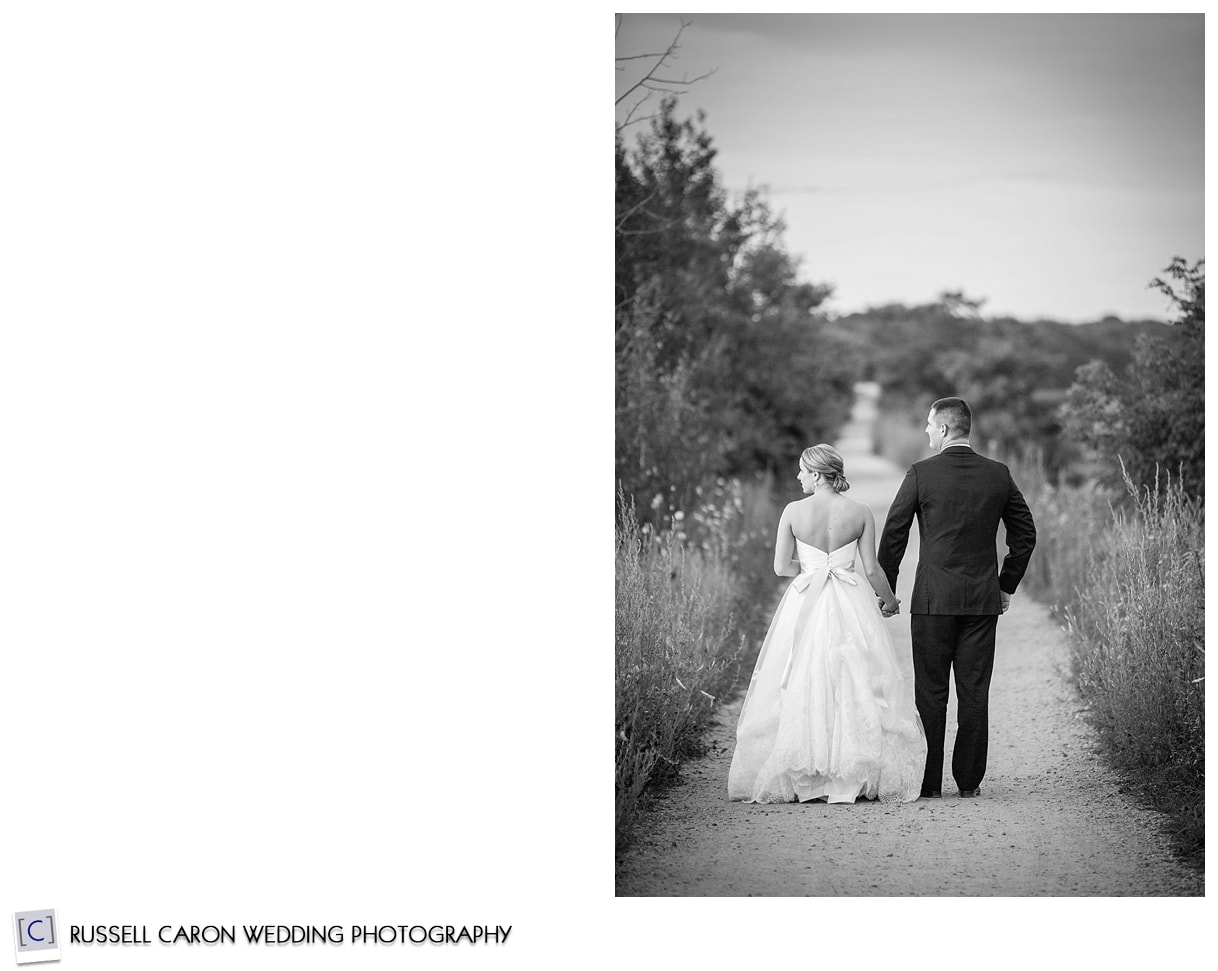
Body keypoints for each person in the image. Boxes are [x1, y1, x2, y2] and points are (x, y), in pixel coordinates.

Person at [727, 444, 927, 804]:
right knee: (853, 675)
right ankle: (848, 768)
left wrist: (810, 571)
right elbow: (871, 568)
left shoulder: (793, 512)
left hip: (807, 597)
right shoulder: (860, 512)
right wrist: (890, 599)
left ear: (818, 475)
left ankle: (806, 770)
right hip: (850, 598)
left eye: (803, 471)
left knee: (803, 671)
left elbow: (780, 568)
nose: (798, 477)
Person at [878, 397, 1036, 800]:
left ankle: (928, 784)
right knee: (974, 690)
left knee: (930, 692)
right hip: (982, 601)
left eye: (930, 425)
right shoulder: (997, 475)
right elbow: (1025, 535)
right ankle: (968, 782)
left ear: (945, 429)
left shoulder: (921, 473)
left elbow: (894, 533)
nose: (927, 431)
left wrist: (886, 589)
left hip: (932, 601)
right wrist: (1005, 584)